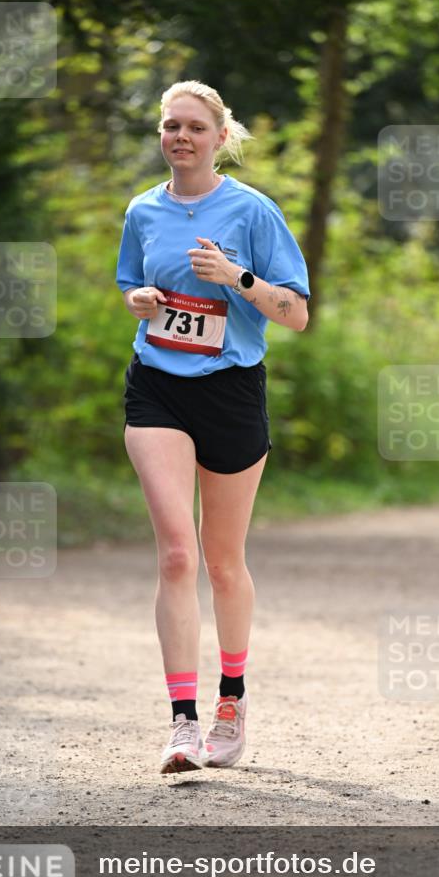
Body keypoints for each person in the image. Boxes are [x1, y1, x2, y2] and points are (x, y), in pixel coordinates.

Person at [115, 79, 309, 774]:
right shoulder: (141, 210)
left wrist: (237, 278)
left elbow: (295, 314)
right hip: (157, 389)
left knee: (223, 562)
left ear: (220, 137)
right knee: (176, 555)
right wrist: (136, 299)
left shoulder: (252, 212)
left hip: (230, 391)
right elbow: (131, 283)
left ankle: (232, 697)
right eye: (171, 125)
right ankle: (182, 724)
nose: (181, 137)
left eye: (195, 126)